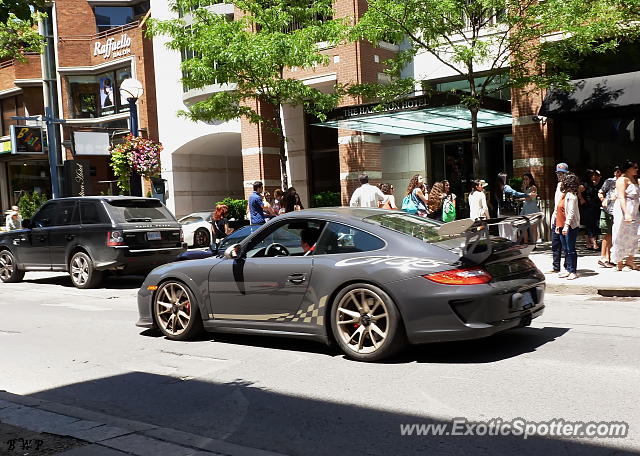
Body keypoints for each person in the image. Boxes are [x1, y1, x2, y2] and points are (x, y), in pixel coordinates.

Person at [611, 160, 640, 271]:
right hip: (624, 210)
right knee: (620, 234)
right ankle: (619, 262)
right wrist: (626, 213)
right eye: (635, 167)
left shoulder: (636, 180)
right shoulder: (622, 180)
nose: (637, 169)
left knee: (635, 235)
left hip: (635, 210)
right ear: (628, 168)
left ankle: (630, 260)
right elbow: (621, 197)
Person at [555, 172, 581, 280]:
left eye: (565, 182)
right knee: (565, 249)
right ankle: (568, 269)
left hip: (569, 226)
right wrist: (558, 224)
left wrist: (566, 225)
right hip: (561, 225)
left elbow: (570, 212)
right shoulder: (564, 195)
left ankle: (573, 271)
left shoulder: (571, 196)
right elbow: (559, 210)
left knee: (570, 249)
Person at [598, 166, 622, 268]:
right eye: (616, 171)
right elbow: (600, 192)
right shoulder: (610, 181)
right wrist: (603, 199)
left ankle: (609, 258)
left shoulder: (625, 181)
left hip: (618, 211)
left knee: (614, 234)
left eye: (620, 171)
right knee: (608, 234)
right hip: (608, 210)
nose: (618, 173)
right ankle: (603, 258)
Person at [548, 163, 569, 274]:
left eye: (562, 173)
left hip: (564, 218)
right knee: (555, 243)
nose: (559, 175)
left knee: (565, 244)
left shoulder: (568, 186)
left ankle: (567, 267)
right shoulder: (558, 185)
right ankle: (556, 267)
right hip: (556, 217)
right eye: (558, 173)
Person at [580, 169, 602, 250]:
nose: (595, 177)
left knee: (594, 224)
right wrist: (581, 199)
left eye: (597, 175)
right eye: (594, 175)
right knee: (590, 225)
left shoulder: (597, 185)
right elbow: (578, 190)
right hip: (587, 207)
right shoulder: (585, 184)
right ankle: (594, 243)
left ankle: (589, 243)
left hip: (596, 206)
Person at [521, 173, 539, 243]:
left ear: (530, 180)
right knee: (523, 225)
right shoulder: (527, 188)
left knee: (533, 227)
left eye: (526, 179)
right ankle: (526, 242)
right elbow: (526, 197)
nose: (525, 181)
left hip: (532, 208)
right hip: (526, 207)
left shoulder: (533, 188)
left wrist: (524, 189)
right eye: (524, 179)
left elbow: (529, 198)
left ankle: (534, 243)